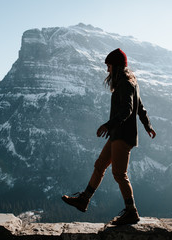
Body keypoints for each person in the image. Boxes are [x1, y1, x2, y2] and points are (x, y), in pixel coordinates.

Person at [62, 48, 156, 225]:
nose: (107, 70)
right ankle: (84, 200)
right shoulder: (130, 83)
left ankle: (131, 211)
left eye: (109, 66)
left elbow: (129, 109)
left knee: (120, 174)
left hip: (122, 136)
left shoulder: (126, 84)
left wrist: (108, 125)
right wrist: (148, 126)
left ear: (117, 67)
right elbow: (140, 108)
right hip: (117, 135)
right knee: (100, 165)